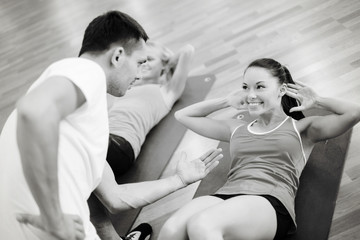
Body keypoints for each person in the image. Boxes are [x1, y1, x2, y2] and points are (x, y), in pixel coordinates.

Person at [0, 10, 223, 240]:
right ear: (117, 56)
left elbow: (116, 197)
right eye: (139, 62)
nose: (139, 73)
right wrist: (53, 217)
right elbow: (33, 111)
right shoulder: (86, 72)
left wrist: (179, 180)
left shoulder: (79, 117)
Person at [158, 58, 360, 240]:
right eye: (246, 87)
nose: (251, 95)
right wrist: (226, 101)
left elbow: (354, 113)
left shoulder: (302, 129)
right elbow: (183, 116)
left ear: (281, 90)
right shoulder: (235, 128)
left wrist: (318, 100)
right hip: (225, 195)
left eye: (260, 87)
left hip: (269, 200)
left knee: (202, 225)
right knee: (171, 230)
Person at [106, 41, 195, 176]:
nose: (145, 64)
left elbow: (187, 50)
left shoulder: (166, 92)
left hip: (120, 145)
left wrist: (167, 63)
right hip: (101, 139)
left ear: (164, 65)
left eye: (150, 60)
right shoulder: (122, 89)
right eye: (141, 61)